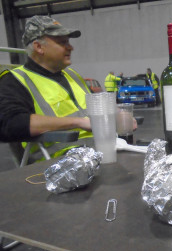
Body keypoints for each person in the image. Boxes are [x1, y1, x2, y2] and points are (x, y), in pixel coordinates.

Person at [0, 15, 137, 156]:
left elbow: (97, 105)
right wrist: (78, 122)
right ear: (39, 47)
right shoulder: (15, 81)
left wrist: (119, 114)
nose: (70, 47)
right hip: (59, 162)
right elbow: (10, 124)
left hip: (101, 149)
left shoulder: (72, 75)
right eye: (62, 42)